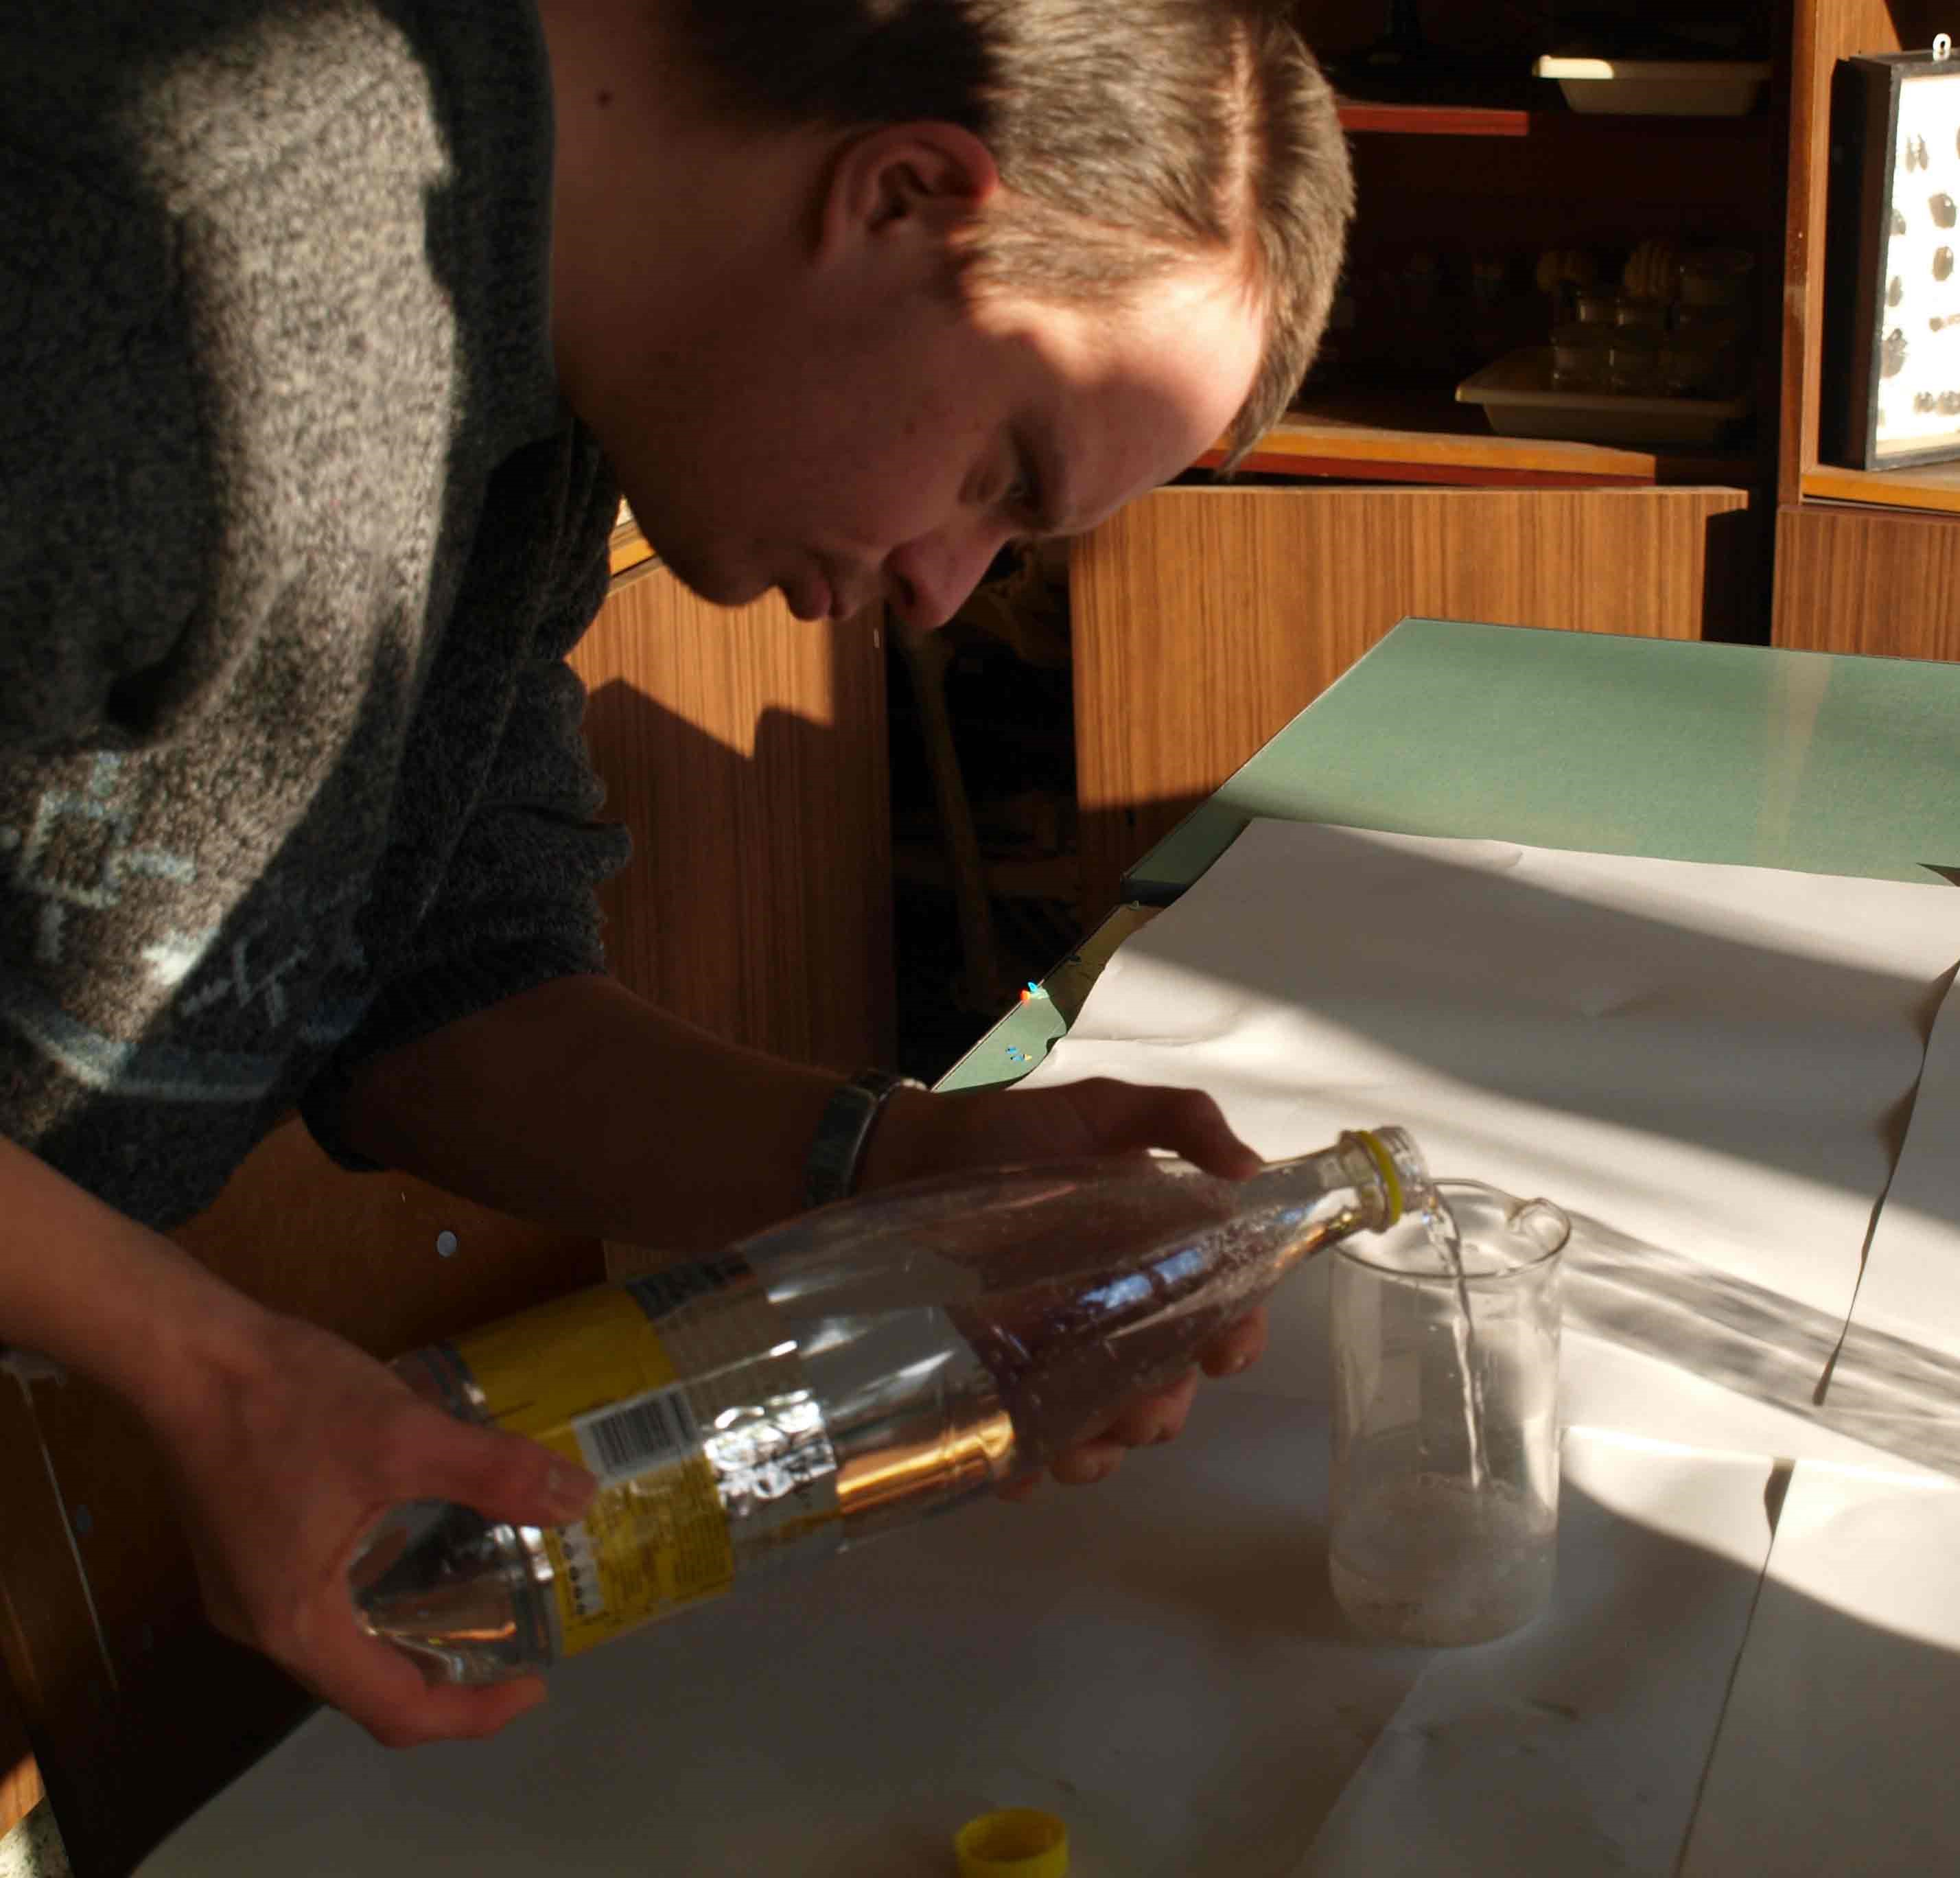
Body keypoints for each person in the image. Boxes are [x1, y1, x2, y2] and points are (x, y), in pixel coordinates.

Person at [0, 0, 1353, 1750]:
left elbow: (437, 994)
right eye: (1004, 477)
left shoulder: (561, 370)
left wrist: (910, 1178)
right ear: (905, 196)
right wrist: (212, 1369)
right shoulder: (142, 259)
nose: (951, 586)